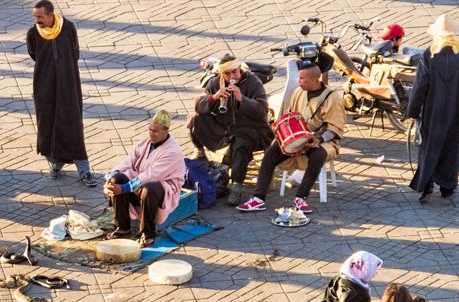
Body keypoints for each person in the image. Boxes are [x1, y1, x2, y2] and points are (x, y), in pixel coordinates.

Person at [237, 63, 345, 214]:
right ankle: (258, 198)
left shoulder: (333, 98)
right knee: (270, 153)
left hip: (321, 140)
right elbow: (290, 116)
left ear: (315, 79)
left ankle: (301, 198)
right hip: (298, 136)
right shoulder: (298, 92)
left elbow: (335, 127)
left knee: (318, 155)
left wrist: (318, 139)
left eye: (302, 78)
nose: (299, 81)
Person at [405, 14, 459, 202]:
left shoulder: (429, 54)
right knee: (451, 147)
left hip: (432, 110)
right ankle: (447, 187)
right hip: (455, 110)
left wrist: (413, 111)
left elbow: (420, 86)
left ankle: (427, 184)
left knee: (429, 146)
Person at [26, 0, 96, 187]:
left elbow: (75, 52)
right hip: (44, 85)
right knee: (47, 125)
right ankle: (55, 163)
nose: (37, 20)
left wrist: (63, 71)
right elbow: (34, 54)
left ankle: (84, 169)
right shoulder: (33, 33)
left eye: (40, 16)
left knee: (72, 124)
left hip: (68, 84)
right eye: (35, 16)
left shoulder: (68, 28)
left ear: (50, 14)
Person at [187, 54, 272, 206]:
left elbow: (262, 110)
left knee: (241, 144)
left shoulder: (253, 82)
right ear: (222, 74)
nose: (232, 76)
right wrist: (214, 98)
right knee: (195, 118)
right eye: (227, 73)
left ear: (239, 69)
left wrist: (242, 98)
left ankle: (237, 186)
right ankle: (199, 151)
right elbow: (199, 107)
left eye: (234, 72)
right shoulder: (214, 83)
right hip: (225, 127)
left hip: (252, 129)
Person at [103, 110, 185, 247]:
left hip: (161, 191)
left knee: (149, 189)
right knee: (116, 179)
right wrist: (110, 176)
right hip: (139, 185)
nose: (151, 134)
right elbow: (129, 161)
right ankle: (122, 228)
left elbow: (151, 175)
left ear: (166, 131)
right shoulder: (145, 143)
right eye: (150, 129)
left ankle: (147, 234)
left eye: (156, 131)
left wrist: (124, 189)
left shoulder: (172, 152)